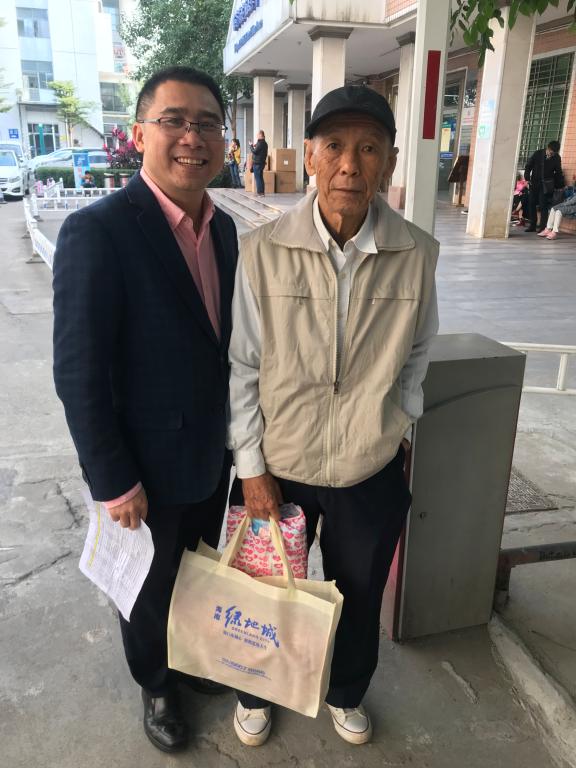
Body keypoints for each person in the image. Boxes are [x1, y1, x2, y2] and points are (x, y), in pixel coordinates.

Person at [227, 85, 439, 747]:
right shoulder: (263, 249)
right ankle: (256, 688)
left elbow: (419, 350)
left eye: (369, 148)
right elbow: (243, 365)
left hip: (367, 464)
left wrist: (398, 420)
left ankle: (346, 691)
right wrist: (251, 467)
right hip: (279, 464)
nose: (351, 163)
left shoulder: (417, 252)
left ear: (389, 162)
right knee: (266, 590)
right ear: (311, 156)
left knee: (359, 592)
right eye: (336, 146)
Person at [52, 66, 238, 754]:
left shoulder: (224, 228)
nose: (193, 137)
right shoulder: (98, 231)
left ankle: (187, 659)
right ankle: (156, 683)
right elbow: (78, 371)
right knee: (147, 586)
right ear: (139, 134)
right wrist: (112, 479)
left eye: (207, 123)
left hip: (211, 453)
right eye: (175, 121)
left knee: (197, 572)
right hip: (144, 468)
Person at [524, 140, 564, 232]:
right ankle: (532, 225)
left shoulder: (557, 157)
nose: (551, 155)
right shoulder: (538, 154)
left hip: (546, 185)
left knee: (543, 205)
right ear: (548, 148)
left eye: (554, 153)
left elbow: (558, 172)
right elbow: (528, 166)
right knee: (531, 203)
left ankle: (542, 228)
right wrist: (527, 178)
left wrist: (560, 185)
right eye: (551, 152)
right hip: (534, 183)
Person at [250, 130, 268, 196]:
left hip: (257, 163)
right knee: (260, 178)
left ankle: (260, 193)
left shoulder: (260, 143)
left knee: (258, 178)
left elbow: (255, 151)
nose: (257, 136)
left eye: (257, 135)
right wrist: (255, 145)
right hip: (261, 163)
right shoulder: (264, 143)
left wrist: (251, 146)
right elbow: (259, 151)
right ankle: (262, 192)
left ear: (261, 135)